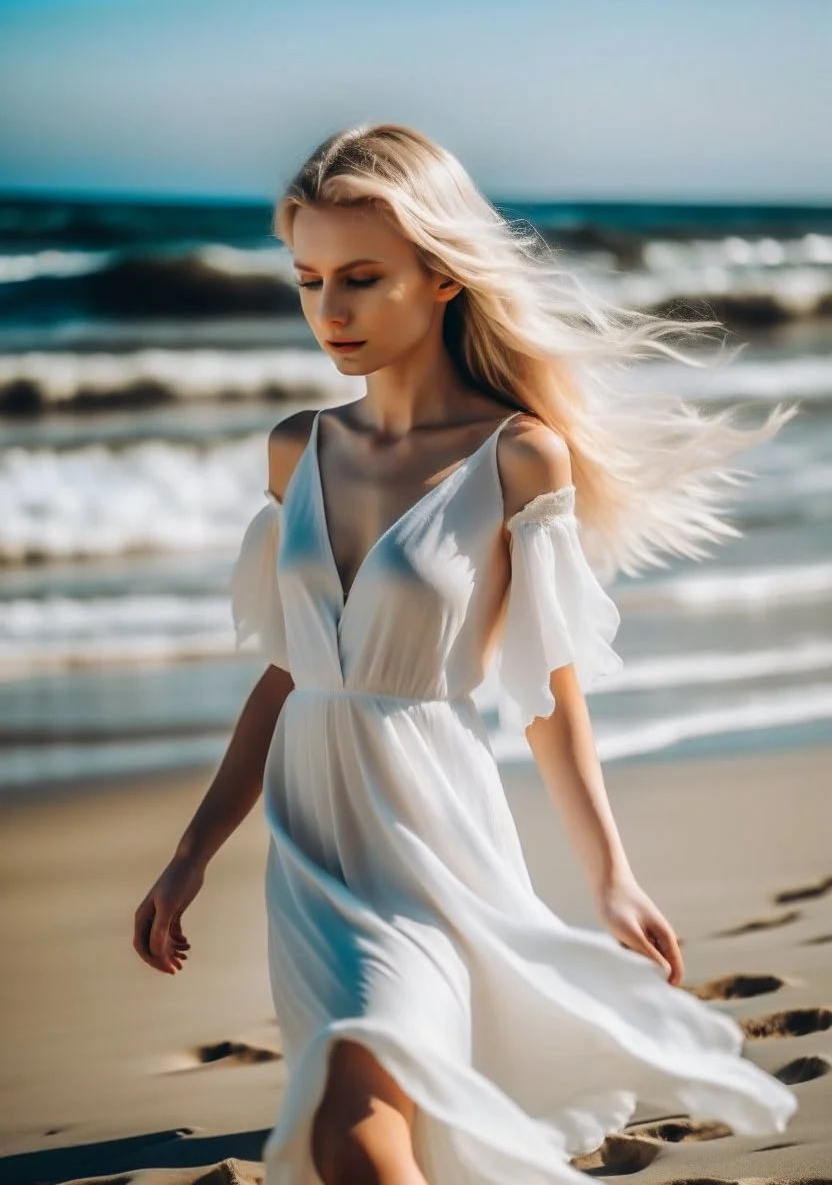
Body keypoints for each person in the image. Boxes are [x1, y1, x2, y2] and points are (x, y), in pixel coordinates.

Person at [133, 124, 799, 1185]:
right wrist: (190, 851)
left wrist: (611, 879)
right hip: (309, 857)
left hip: (432, 840)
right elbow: (289, 671)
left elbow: (546, 688)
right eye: (308, 280)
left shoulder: (519, 456)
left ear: (442, 277)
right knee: (357, 1101)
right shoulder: (296, 448)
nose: (330, 313)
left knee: (358, 1113)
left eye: (362, 278)